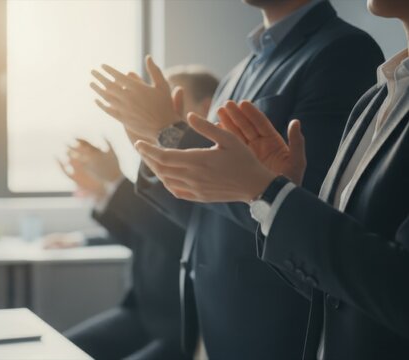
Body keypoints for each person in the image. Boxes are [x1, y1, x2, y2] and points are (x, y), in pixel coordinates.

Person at [90, 0, 384, 359]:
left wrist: (168, 130)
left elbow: (304, 204)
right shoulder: (238, 71)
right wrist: (153, 143)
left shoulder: (342, 50)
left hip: (269, 324)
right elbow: (205, 210)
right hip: (211, 321)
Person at [54, 67, 218, 360]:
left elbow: (181, 240)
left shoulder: (211, 176)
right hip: (142, 314)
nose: (155, 111)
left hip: (179, 329)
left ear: (206, 108)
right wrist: (101, 190)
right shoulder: (164, 169)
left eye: (170, 102)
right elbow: (142, 236)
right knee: (58, 350)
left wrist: (115, 181)